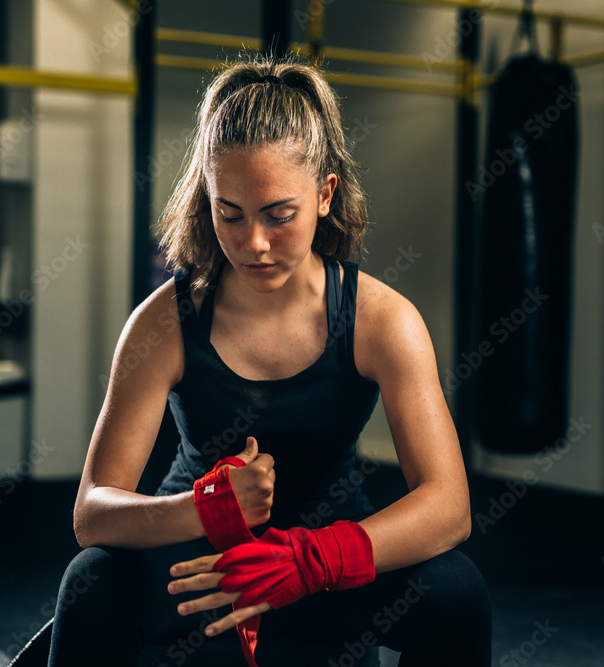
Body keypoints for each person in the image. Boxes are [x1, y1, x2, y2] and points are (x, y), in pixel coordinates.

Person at [47, 52, 492, 667]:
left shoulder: (382, 320)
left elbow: (449, 505)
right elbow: (93, 510)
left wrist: (311, 559)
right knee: (91, 583)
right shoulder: (166, 320)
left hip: (323, 569)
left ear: (324, 195)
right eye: (230, 213)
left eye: (279, 215)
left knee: (456, 591)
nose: (253, 243)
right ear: (209, 200)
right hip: (199, 567)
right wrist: (205, 507)